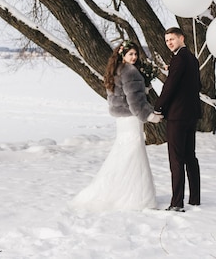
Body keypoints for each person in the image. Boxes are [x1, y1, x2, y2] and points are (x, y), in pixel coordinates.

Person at [70, 40, 163, 212]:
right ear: (123, 55)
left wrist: (145, 88)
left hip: (122, 120)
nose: (134, 57)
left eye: (135, 54)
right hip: (131, 118)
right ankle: (136, 196)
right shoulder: (131, 73)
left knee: (124, 152)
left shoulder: (116, 70)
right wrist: (150, 116)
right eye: (131, 54)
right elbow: (135, 103)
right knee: (134, 154)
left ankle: (119, 190)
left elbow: (126, 96)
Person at [154, 27, 201, 212]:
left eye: (172, 39)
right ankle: (195, 198)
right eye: (167, 40)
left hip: (178, 115)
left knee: (176, 159)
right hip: (191, 114)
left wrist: (158, 107)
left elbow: (170, 87)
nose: (169, 43)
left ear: (182, 38)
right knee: (190, 156)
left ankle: (176, 203)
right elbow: (197, 85)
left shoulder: (179, 58)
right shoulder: (191, 58)